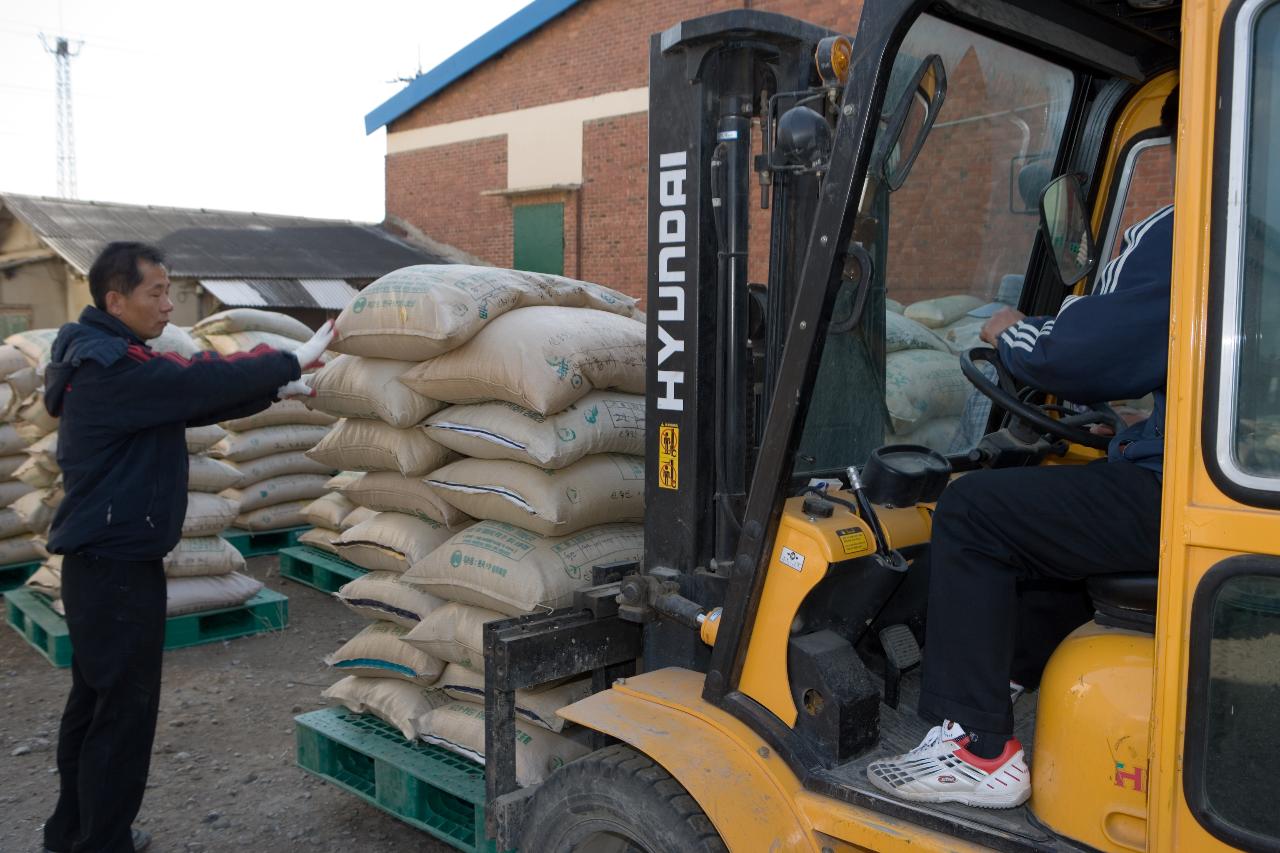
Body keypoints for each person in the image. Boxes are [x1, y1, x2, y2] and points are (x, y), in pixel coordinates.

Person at [866, 86, 1178, 809]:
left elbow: (1085, 352)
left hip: (1178, 499)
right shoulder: (1255, 229)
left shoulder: (1193, 227)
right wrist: (1133, 434)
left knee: (975, 508)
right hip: (1190, 476)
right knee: (1057, 505)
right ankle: (1007, 674)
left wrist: (1009, 328)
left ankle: (975, 746)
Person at [40, 242, 334, 852]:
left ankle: (74, 833)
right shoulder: (109, 368)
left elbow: (188, 399)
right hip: (116, 572)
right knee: (120, 716)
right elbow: (191, 383)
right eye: (156, 293)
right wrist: (289, 360)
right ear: (115, 299)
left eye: (170, 291)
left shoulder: (108, 359)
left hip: (103, 568)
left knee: (94, 708)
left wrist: (279, 390)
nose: (169, 305)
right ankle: (102, 842)